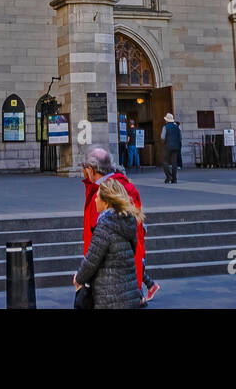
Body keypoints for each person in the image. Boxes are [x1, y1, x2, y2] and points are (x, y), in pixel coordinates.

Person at [80, 147, 159, 302]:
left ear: (91, 169)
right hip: (123, 269)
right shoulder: (120, 187)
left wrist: (84, 276)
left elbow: (98, 239)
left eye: (85, 168)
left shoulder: (104, 192)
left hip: (109, 275)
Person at [73, 178, 145, 309]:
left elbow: (91, 260)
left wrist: (78, 279)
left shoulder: (105, 225)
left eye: (98, 197)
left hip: (109, 296)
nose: (95, 199)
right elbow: (133, 251)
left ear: (106, 202)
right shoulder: (128, 222)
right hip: (129, 294)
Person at [160, 113, 182, 184]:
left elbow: (162, 137)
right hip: (176, 147)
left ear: (167, 120)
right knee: (174, 163)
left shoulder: (165, 127)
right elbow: (180, 137)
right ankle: (174, 179)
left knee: (164, 161)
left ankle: (169, 176)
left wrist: (164, 143)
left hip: (167, 146)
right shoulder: (177, 127)